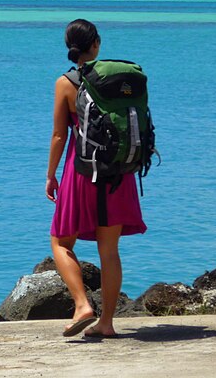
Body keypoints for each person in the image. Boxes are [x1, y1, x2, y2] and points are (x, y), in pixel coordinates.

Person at [46, 19, 147, 338]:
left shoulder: (66, 82)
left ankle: (82, 304)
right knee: (109, 250)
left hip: (82, 170)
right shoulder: (119, 79)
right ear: (97, 44)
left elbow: (59, 135)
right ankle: (107, 323)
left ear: (69, 47)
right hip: (119, 171)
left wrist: (50, 175)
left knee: (61, 241)